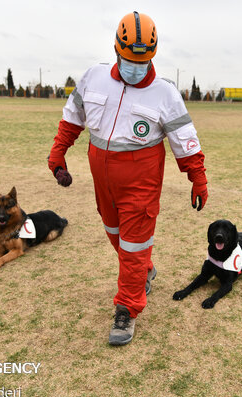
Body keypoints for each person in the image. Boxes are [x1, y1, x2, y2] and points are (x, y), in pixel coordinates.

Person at [48, 11, 208, 346]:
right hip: (103, 183)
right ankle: (144, 271)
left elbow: (185, 140)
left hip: (141, 185)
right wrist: (58, 152)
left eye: (144, 60)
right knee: (116, 237)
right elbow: (72, 117)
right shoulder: (93, 77)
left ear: (153, 55)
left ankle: (127, 309)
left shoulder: (165, 93)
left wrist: (198, 178)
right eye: (129, 59)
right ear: (116, 50)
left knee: (133, 247)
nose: (135, 67)